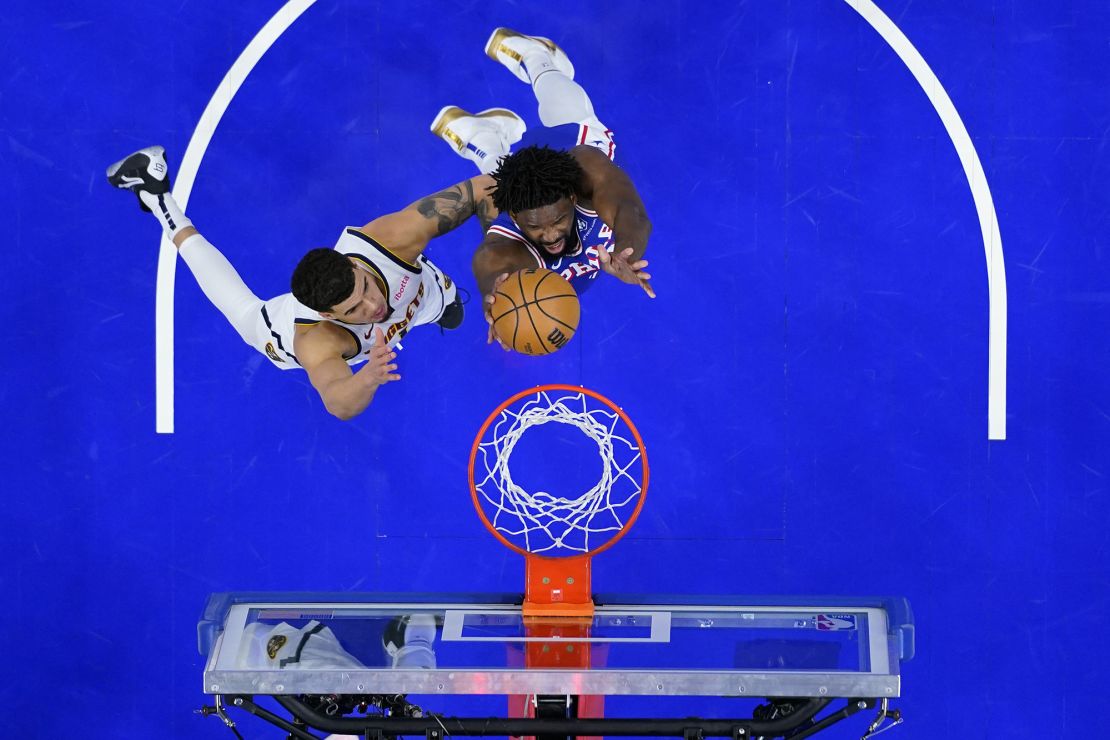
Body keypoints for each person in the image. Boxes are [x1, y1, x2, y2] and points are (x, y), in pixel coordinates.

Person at [107, 146, 494, 419]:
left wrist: (502, 250)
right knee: (241, 311)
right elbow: (338, 401)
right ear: (328, 314)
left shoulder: (390, 240)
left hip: (423, 292)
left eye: (365, 290)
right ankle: (159, 200)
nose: (372, 307)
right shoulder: (316, 340)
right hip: (275, 332)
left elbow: (484, 187)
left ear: (355, 266)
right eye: (353, 311)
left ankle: (483, 143)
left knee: (454, 313)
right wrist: (368, 379)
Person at [429, 28, 655, 347]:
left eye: (558, 220)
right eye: (535, 227)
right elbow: (490, 262)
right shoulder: (509, 226)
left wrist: (627, 252)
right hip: (518, 184)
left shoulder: (588, 172)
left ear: (573, 197)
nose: (550, 235)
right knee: (496, 182)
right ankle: (487, 139)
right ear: (516, 219)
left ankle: (538, 59)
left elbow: (630, 213)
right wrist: (498, 296)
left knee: (568, 110)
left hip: (570, 141)